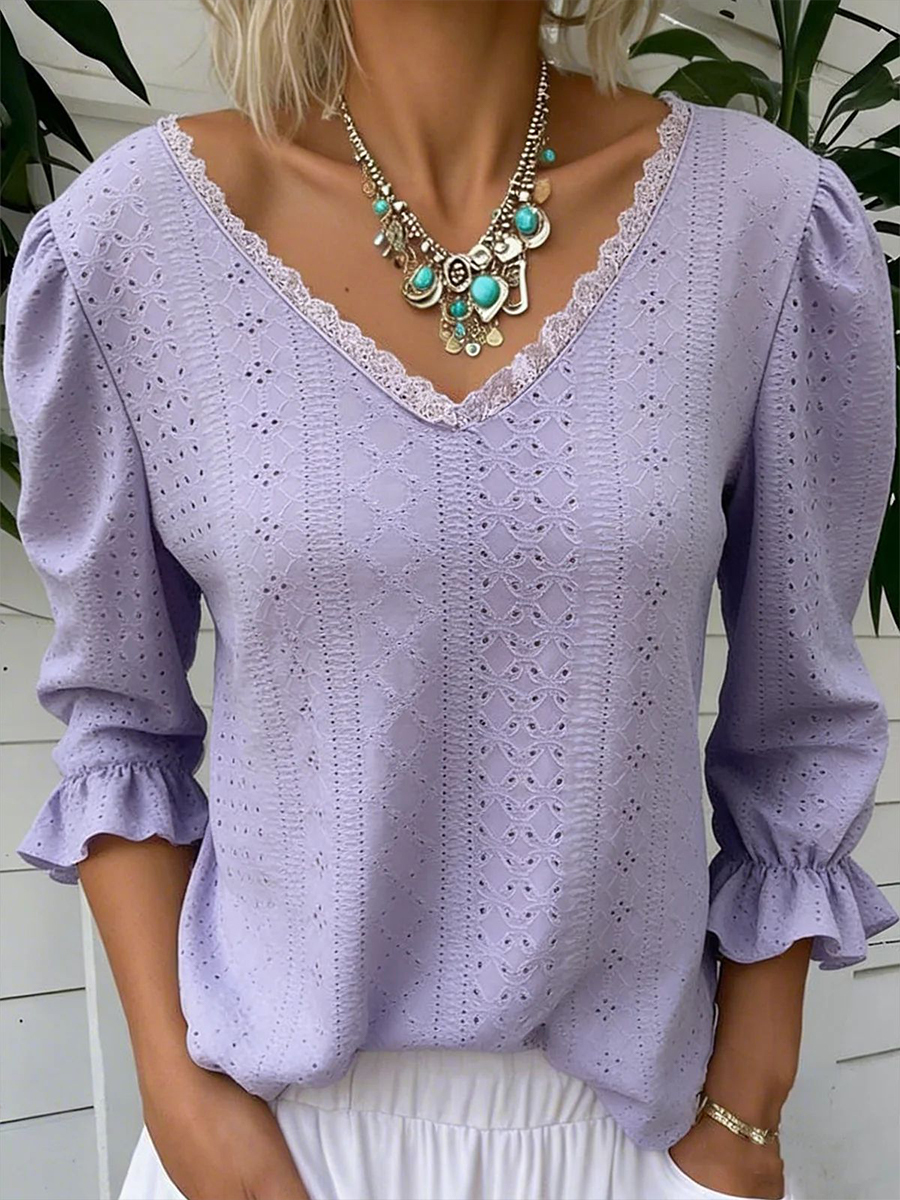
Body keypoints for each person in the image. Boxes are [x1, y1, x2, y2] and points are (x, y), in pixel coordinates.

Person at [4, 0, 896, 1198]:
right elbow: (121, 727)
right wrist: (188, 1111)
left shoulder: (765, 223)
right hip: (272, 1141)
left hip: (631, 1141)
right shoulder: (128, 241)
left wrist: (744, 1114)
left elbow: (798, 714)